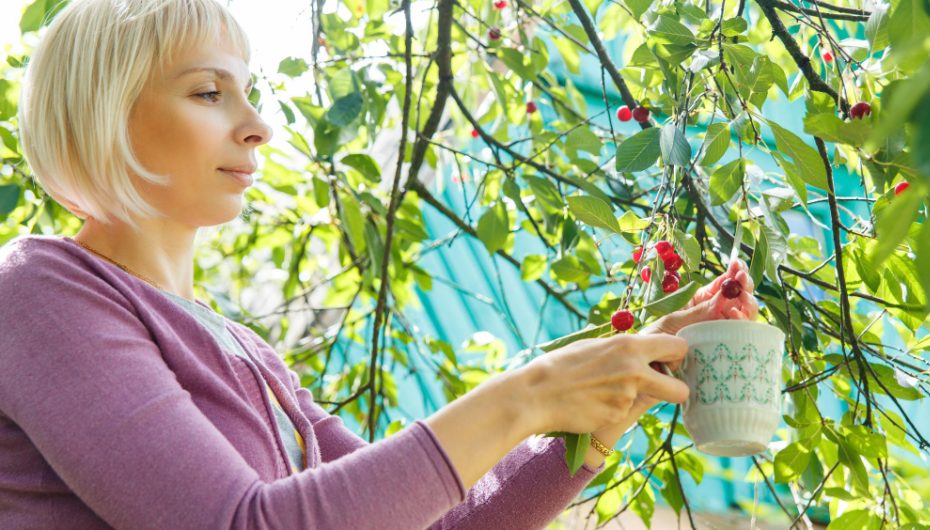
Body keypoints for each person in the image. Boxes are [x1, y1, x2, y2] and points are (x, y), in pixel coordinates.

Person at [0, 0, 759, 528]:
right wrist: (528, 394)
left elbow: (434, 522)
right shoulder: (38, 294)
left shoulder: (245, 350)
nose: (259, 126)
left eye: (251, 92)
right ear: (103, 113)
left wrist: (615, 393)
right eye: (208, 91)